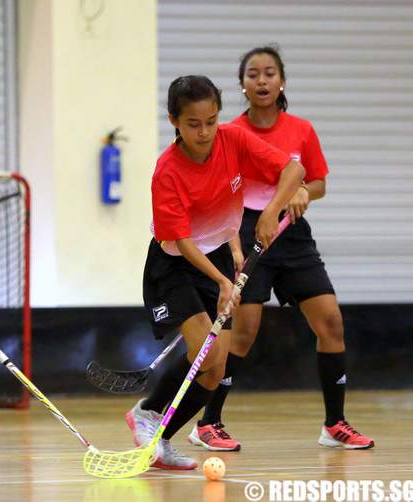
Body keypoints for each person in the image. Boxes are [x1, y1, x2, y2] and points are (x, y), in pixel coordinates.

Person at [187, 46, 374, 452]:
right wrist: (237, 237)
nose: (262, 81)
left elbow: (319, 181)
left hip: (293, 233)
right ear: (242, 84)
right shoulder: (230, 133)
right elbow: (220, 192)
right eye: (253, 74)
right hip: (245, 230)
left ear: (282, 80)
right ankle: (208, 422)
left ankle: (334, 423)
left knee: (331, 322)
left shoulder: (301, 130)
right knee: (244, 333)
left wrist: (304, 191)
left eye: (269, 73)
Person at [126, 75, 305, 470]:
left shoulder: (233, 140)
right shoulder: (166, 172)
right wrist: (223, 281)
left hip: (220, 256)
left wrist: (270, 212)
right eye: (193, 124)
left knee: (215, 368)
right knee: (203, 352)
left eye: (210, 120)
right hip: (174, 265)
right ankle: (147, 412)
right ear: (174, 120)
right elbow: (184, 241)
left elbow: (293, 170)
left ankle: (162, 437)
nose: (204, 132)